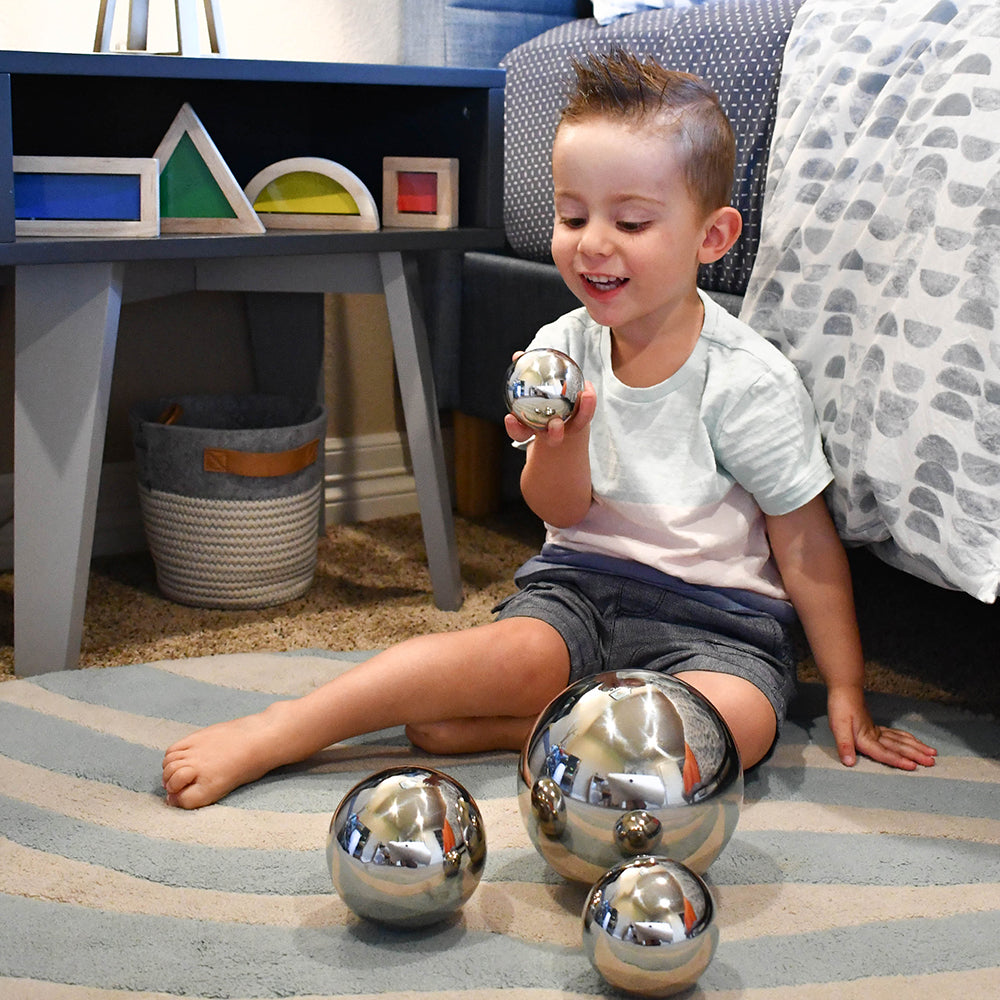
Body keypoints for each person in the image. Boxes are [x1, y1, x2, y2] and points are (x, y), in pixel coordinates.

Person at [162, 49, 936, 810]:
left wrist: (844, 686)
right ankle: (287, 726)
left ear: (712, 238)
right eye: (572, 216)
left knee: (735, 729)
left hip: (717, 632)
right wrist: (560, 446)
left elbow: (805, 543)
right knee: (446, 664)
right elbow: (560, 514)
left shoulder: (748, 379)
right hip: (575, 598)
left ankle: (537, 729)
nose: (592, 241)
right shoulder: (559, 349)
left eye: (630, 221)